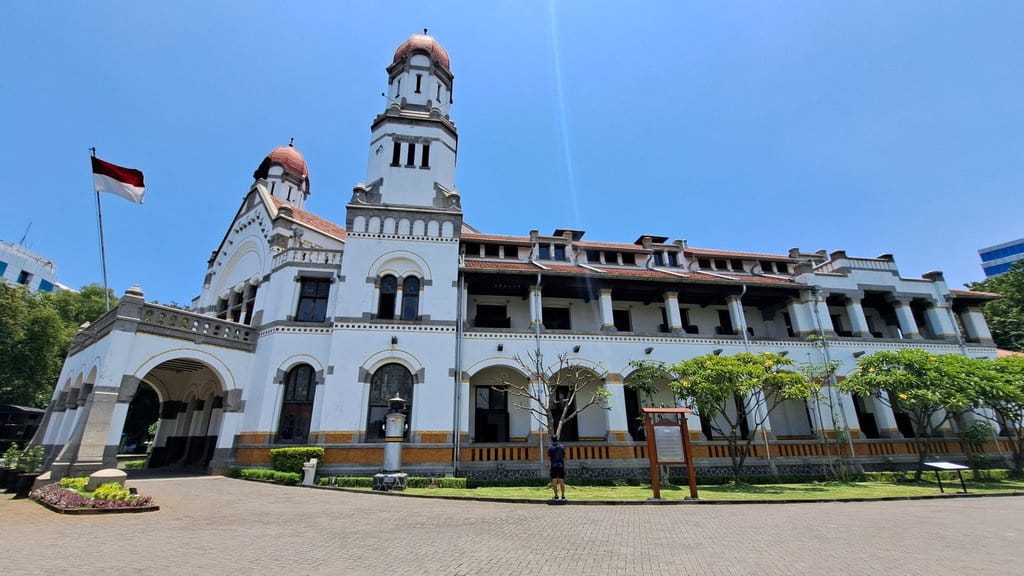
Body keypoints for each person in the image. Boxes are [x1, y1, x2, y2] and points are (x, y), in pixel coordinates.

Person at [547, 436, 567, 501]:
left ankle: (556, 496)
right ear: (557, 439)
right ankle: (563, 496)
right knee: (562, 481)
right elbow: (564, 455)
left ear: (552, 440)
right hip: (561, 465)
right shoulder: (561, 446)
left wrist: (548, 465)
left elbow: (548, 457)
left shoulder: (550, 447)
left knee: (554, 481)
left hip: (553, 465)